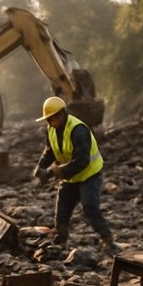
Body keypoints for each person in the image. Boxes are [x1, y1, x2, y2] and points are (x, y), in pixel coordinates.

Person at [32, 96, 118, 255]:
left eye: (56, 117)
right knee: (62, 210)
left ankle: (108, 241)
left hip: (89, 174)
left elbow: (82, 161)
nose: (53, 121)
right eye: (50, 119)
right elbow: (50, 151)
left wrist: (55, 171)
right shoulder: (51, 129)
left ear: (63, 114)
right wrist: (40, 167)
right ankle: (60, 240)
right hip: (70, 177)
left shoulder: (79, 130)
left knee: (89, 207)